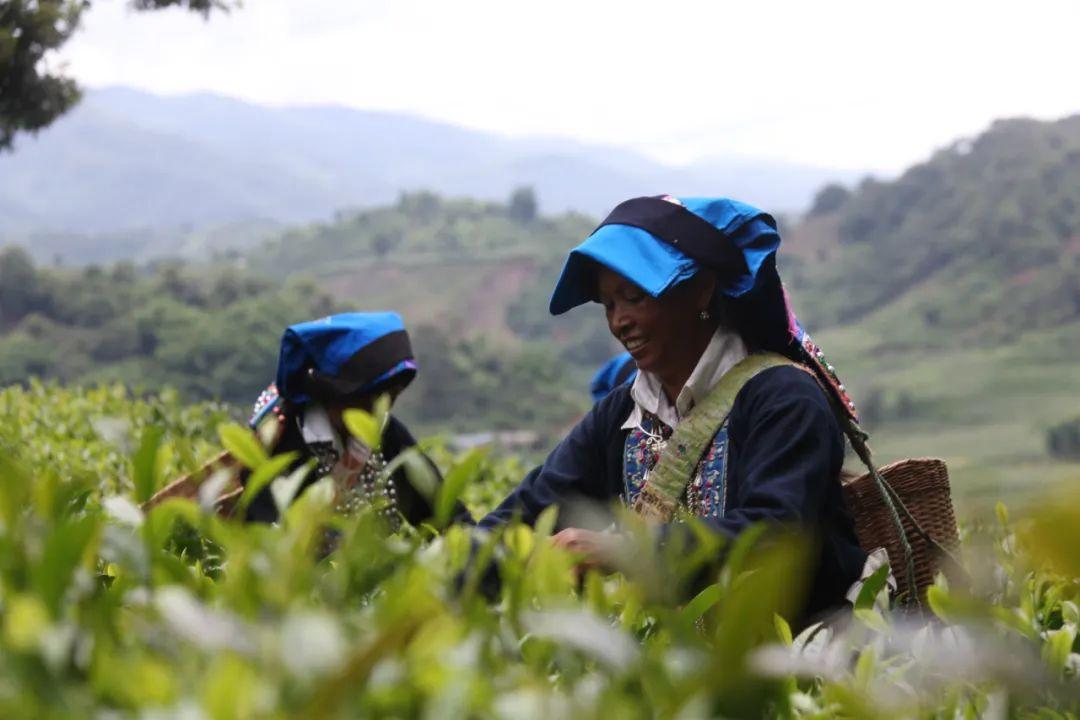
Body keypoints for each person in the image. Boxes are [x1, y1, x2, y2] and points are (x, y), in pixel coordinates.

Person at [480, 196, 867, 619]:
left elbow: (775, 530)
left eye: (633, 297)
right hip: (680, 666)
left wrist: (629, 550)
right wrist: (448, 572)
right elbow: (535, 507)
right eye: (609, 304)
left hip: (802, 658)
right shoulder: (621, 413)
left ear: (701, 289)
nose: (619, 321)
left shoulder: (783, 397)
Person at [243, 311, 470, 527]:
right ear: (331, 394)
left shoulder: (388, 435)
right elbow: (263, 536)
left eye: (391, 398)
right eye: (367, 401)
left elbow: (447, 516)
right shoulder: (283, 440)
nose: (380, 411)